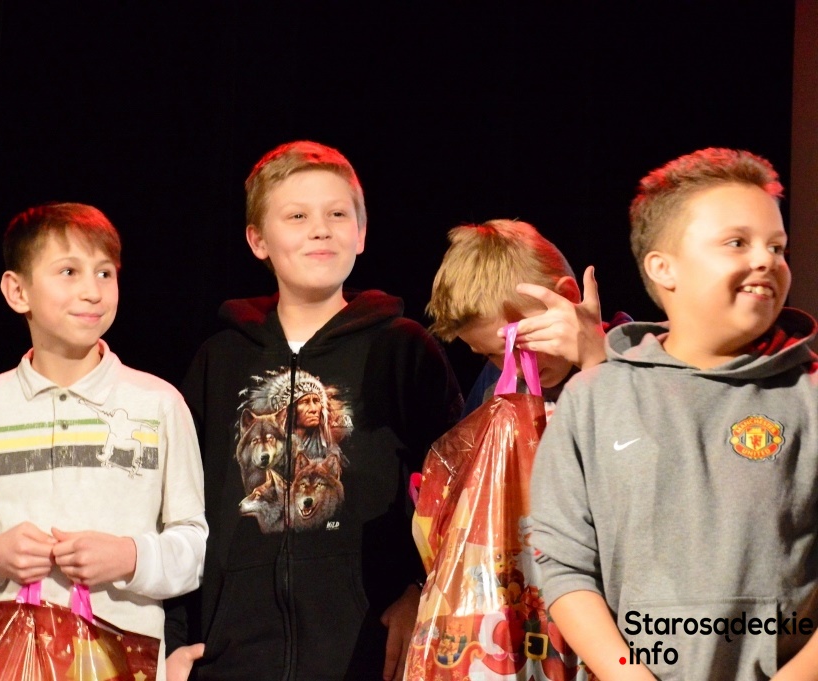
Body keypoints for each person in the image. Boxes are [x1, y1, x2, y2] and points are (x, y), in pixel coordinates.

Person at [166, 140, 463, 681]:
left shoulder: (402, 349)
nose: (320, 230)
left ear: (362, 233)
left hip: (368, 653)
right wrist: (175, 641)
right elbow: (180, 504)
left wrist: (419, 591)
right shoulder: (220, 358)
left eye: (337, 214)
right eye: (297, 216)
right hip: (234, 657)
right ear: (258, 240)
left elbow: (457, 494)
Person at [529, 148, 818, 680]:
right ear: (664, 268)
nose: (766, 260)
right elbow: (564, 563)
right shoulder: (593, 400)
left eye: (777, 246)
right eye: (737, 242)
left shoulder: (810, 395)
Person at [0, 202, 208, 679]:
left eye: (105, 273)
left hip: (121, 663)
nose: (92, 290)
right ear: (18, 291)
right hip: (10, 663)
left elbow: (194, 547)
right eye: (69, 272)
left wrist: (129, 557)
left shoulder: (159, 405)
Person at [426, 219, 618, 419]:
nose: (515, 371)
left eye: (518, 346)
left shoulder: (634, 361)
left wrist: (597, 362)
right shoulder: (494, 384)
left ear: (567, 296)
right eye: (491, 355)